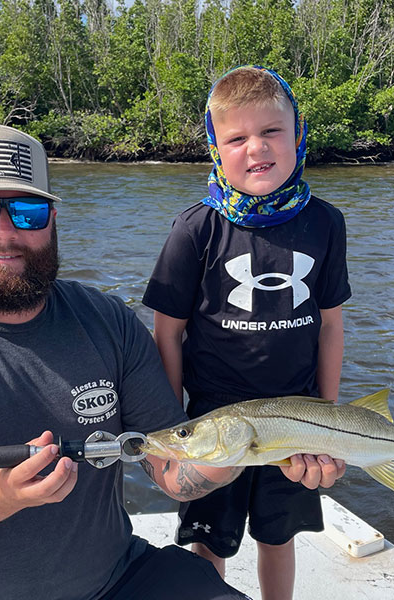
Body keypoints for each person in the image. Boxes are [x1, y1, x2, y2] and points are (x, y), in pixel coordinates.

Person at [0, 123, 345, 600]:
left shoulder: (110, 324)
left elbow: (171, 469)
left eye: (28, 211)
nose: (5, 232)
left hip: (117, 580)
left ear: (52, 218)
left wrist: (256, 449)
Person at [142, 66, 351, 600]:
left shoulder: (327, 223)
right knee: (209, 540)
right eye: (236, 138)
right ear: (216, 148)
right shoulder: (194, 229)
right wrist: (172, 424)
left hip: (300, 418)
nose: (256, 148)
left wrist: (328, 418)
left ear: (298, 135)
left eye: (271, 131)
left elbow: (330, 325)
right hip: (215, 419)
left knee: (279, 538)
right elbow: (167, 335)